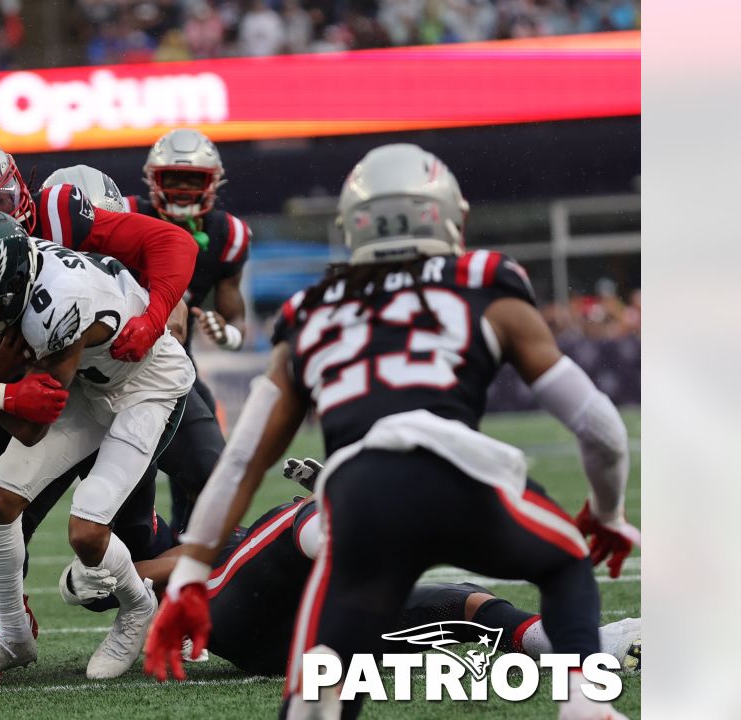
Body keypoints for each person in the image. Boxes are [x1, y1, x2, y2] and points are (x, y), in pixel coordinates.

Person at [144, 144, 640, 720]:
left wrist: (188, 581)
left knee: (321, 692)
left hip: (359, 505)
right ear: (448, 214)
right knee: (564, 560)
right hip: (463, 477)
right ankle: (582, 701)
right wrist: (605, 514)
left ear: (352, 225)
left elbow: (241, 464)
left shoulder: (312, 309)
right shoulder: (485, 281)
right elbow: (599, 425)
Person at [0, 146, 203, 665]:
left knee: (112, 538)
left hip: (125, 379)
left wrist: (155, 314)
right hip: (55, 383)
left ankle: (176, 596)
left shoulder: (62, 226)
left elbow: (167, 244)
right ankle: (9, 629)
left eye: (5, 193)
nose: (7, 209)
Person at [83, 473, 641, 677]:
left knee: (465, 605)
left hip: (295, 640)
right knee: (296, 523)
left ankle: (584, 648)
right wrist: (113, 576)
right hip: (250, 609)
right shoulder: (193, 551)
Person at [124, 128, 249, 532]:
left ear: (211, 183)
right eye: (172, 178)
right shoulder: (125, 215)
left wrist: (227, 333)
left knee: (207, 470)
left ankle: (186, 546)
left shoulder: (227, 234)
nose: (180, 188)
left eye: (191, 179)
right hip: (113, 363)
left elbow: (235, 319)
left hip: (176, 365)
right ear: (154, 181)